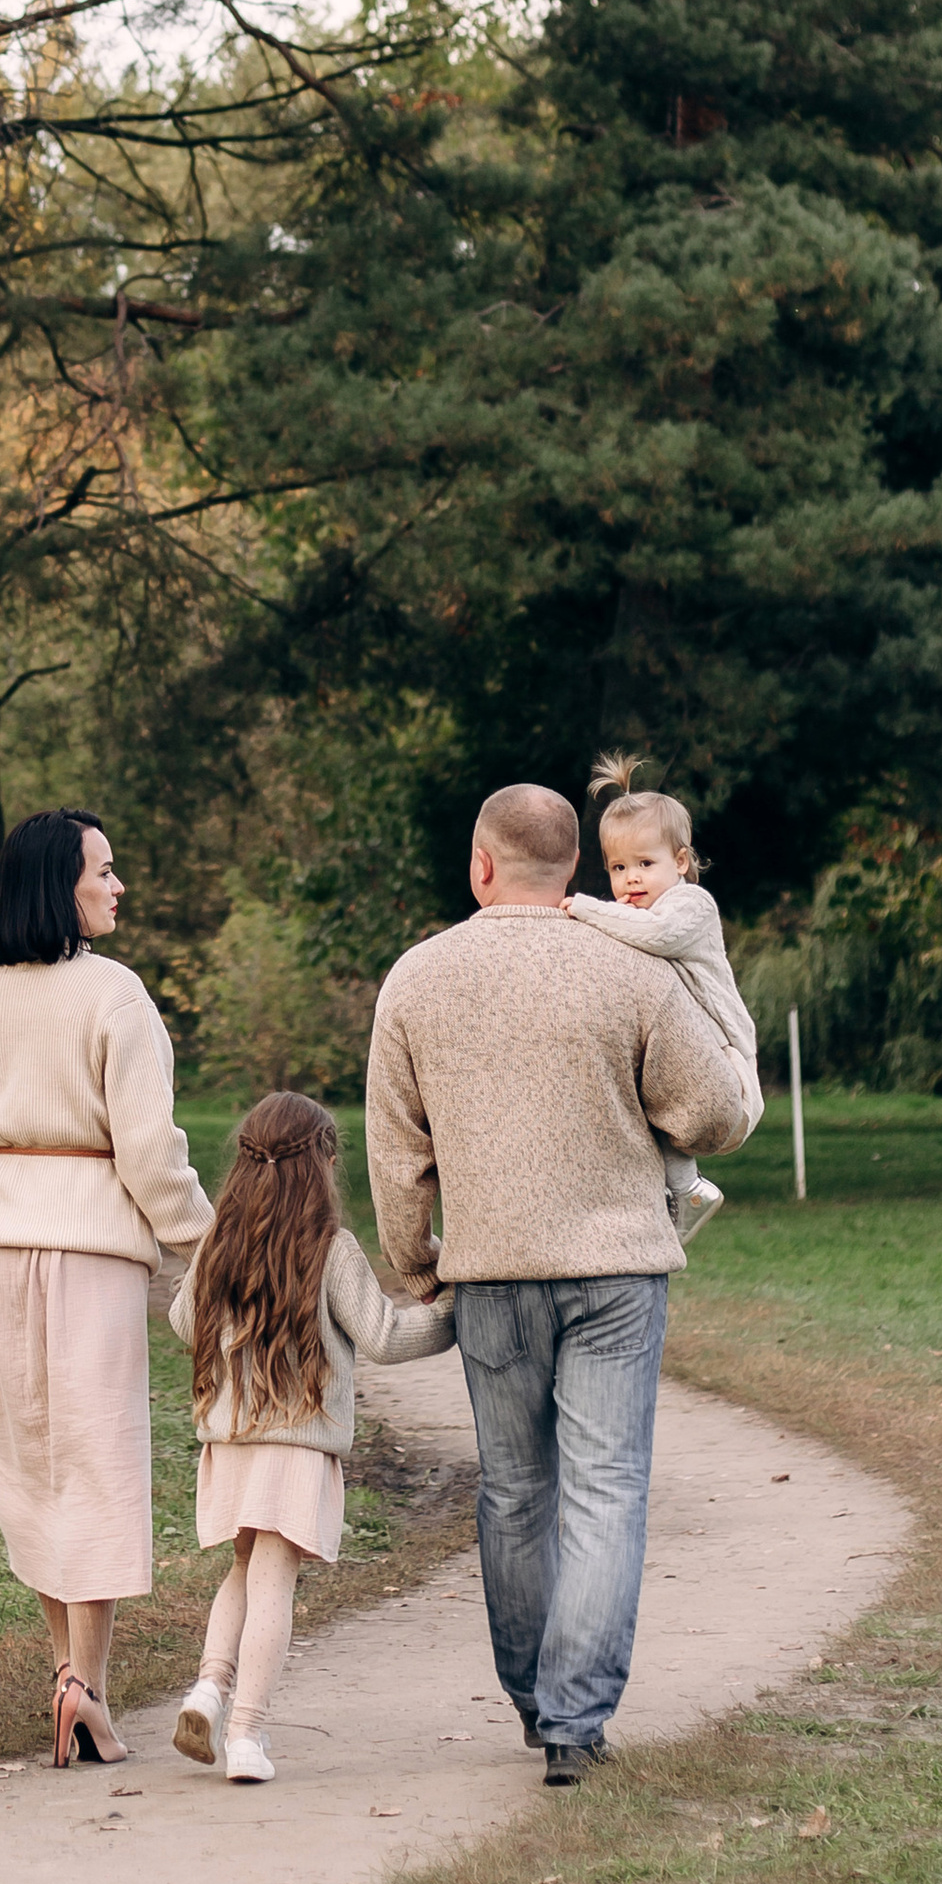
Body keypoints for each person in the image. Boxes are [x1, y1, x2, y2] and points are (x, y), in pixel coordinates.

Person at [365, 779, 753, 1789]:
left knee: (515, 1487)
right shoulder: (627, 968)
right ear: (575, 869)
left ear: (480, 865)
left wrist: (415, 1264)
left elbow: (393, 1149)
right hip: (618, 1266)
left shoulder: (417, 979)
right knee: (607, 1485)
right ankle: (577, 1718)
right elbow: (712, 1114)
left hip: (491, 1269)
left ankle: (535, 1700)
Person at [0, 806, 212, 1768]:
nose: (117, 884)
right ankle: (85, 1688)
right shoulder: (115, 995)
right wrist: (204, 1241)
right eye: (103, 869)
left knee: (30, 1455)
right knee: (95, 1455)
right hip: (91, 1244)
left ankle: (65, 1673)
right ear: (61, 885)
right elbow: (149, 1150)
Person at [166, 1089, 450, 1785]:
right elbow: (382, 1335)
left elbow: (181, 1319)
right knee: (274, 1580)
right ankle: (248, 1734)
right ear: (321, 1161)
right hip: (295, 1445)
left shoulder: (219, 1243)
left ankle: (208, 1687)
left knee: (243, 1567)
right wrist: (459, 1317)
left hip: (229, 1441)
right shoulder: (330, 1249)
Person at [568, 757, 764, 1242]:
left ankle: (686, 1187)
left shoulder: (690, 905)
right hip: (679, 1054)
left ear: (680, 862)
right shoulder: (624, 916)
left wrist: (584, 908)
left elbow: (658, 936)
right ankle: (681, 1192)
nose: (631, 879)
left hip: (725, 1059)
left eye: (645, 864)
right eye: (618, 867)